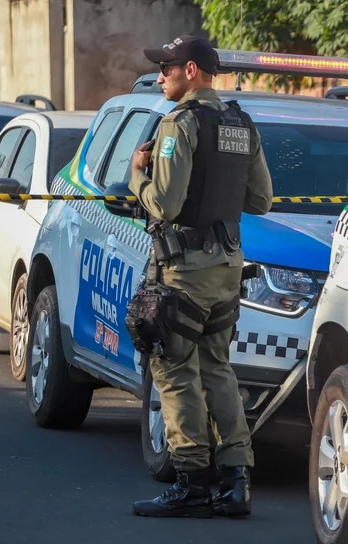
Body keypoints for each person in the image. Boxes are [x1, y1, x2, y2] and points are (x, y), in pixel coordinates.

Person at [128, 35, 273, 519]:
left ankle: (190, 481)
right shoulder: (241, 123)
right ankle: (236, 483)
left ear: (191, 70)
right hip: (228, 270)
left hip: (184, 272)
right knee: (217, 370)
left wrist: (137, 176)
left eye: (166, 68)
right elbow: (260, 202)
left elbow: (165, 205)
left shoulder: (178, 125)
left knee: (173, 370)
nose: (159, 76)